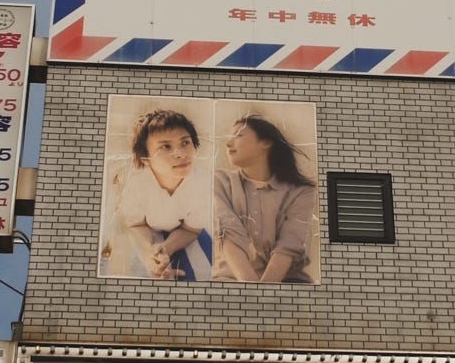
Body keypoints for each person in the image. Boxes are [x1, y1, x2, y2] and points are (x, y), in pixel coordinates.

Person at [213, 114, 317, 284]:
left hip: (288, 285)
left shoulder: (301, 191)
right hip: (230, 283)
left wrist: (264, 293)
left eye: (239, 135)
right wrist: (253, 292)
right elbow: (227, 233)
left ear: (266, 142)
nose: (228, 143)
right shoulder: (219, 182)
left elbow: (290, 242)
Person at [111, 108, 212, 280]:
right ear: (145, 159)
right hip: (147, 226)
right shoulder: (134, 183)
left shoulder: (202, 182)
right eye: (166, 146)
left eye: (185, 143)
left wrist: (166, 249)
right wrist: (151, 253)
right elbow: (136, 224)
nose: (181, 154)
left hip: (182, 228)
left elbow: (191, 229)